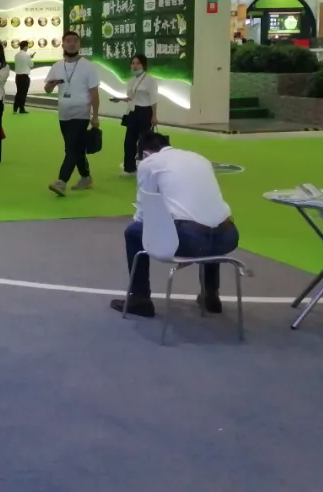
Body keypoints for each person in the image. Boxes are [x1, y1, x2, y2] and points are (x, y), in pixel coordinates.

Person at [110, 132, 239, 318]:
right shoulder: (199, 158)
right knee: (208, 223)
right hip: (228, 237)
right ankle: (211, 295)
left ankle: (140, 299)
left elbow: (143, 211)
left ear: (145, 153)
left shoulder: (149, 163)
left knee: (133, 232)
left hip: (192, 241)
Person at [44, 32, 100, 196]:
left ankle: (61, 181)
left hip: (81, 113)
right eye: (68, 41)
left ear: (79, 45)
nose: (72, 44)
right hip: (64, 114)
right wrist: (52, 84)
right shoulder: (57, 66)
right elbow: (47, 89)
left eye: (75, 41)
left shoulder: (88, 66)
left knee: (72, 148)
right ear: (62, 44)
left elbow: (94, 93)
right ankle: (86, 177)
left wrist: (95, 115)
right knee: (75, 147)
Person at [116, 54, 158, 176]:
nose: (134, 66)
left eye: (138, 63)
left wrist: (154, 116)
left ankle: (148, 168)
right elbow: (131, 97)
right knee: (129, 141)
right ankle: (129, 169)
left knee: (145, 142)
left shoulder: (150, 80)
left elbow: (154, 99)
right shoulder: (131, 81)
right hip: (132, 112)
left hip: (145, 112)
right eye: (133, 63)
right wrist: (120, 99)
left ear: (143, 65)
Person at [12, 41, 34, 114]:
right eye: (27, 46)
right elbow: (31, 65)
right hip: (24, 77)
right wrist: (30, 58)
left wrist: (29, 57)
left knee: (19, 92)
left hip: (18, 76)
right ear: (25, 46)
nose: (27, 48)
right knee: (23, 93)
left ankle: (15, 108)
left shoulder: (16, 55)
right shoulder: (26, 55)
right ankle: (21, 108)